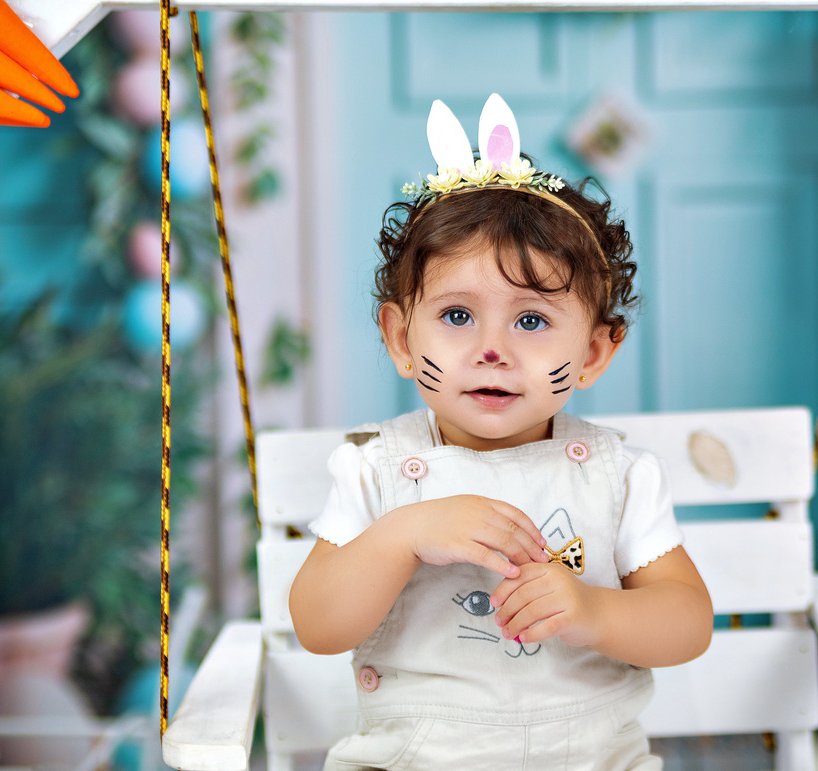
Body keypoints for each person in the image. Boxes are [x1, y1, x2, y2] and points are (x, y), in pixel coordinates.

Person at [289, 94, 713, 770]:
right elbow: (318, 624)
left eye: (532, 320)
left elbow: (688, 620)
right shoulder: (377, 468)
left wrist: (594, 612)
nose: (493, 349)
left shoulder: (616, 476)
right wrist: (404, 534)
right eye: (457, 316)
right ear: (401, 337)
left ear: (596, 353)